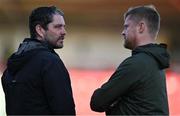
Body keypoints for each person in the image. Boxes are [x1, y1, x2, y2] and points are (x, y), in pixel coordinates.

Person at [90, 5, 170, 115]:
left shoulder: (137, 64)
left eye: (126, 27)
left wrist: (114, 101)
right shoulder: (155, 62)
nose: (123, 32)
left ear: (141, 27)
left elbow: (97, 102)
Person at [1, 6, 76, 115]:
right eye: (58, 27)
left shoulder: (12, 65)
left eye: (64, 27)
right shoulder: (50, 62)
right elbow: (65, 110)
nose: (64, 32)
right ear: (40, 30)